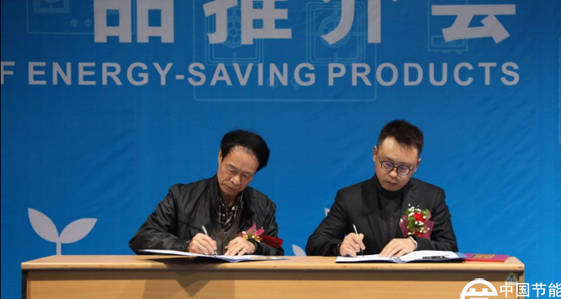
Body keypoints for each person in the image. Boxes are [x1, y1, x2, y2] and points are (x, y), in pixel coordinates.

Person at [306, 120, 457, 257]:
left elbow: (450, 247)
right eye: (387, 164)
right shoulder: (350, 198)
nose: (393, 174)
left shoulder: (431, 196)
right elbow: (315, 244)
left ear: (416, 165)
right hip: (366, 278)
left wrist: (415, 244)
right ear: (375, 154)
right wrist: (340, 247)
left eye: (403, 167)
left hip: (414, 278)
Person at [129, 130, 283, 256]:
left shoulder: (263, 206)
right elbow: (143, 238)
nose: (236, 180)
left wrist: (254, 247)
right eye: (232, 170)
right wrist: (186, 246)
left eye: (246, 175)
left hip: (243, 282)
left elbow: (275, 249)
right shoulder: (181, 197)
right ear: (220, 156)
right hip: (190, 280)